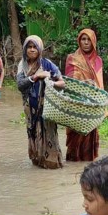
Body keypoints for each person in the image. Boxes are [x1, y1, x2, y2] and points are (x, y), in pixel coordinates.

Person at [16, 35, 65, 169]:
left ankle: (52, 163)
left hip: (47, 108)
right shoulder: (22, 66)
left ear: (40, 49)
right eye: (29, 47)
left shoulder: (47, 64)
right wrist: (36, 76)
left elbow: (62, 83)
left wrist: (50, 81)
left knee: (48, 133)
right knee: (33, 132)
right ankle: (38, 162)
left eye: (35, 47)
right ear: (25, 49)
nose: (32, 50)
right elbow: (20, 85)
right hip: (30, 109)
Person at [64, 28, 104, 162]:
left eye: (88, 39)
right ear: (79, 41)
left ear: (93, 42)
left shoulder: (98, 60)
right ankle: (72, 165)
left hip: (91, 104)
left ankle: (87, 167)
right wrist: (84, 83)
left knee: (90, 137)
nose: (86, 42)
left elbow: (100, 83)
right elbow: (69, 81)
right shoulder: (72, 58)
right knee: (74, 138)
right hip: (75, 104)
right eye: (83, 39)